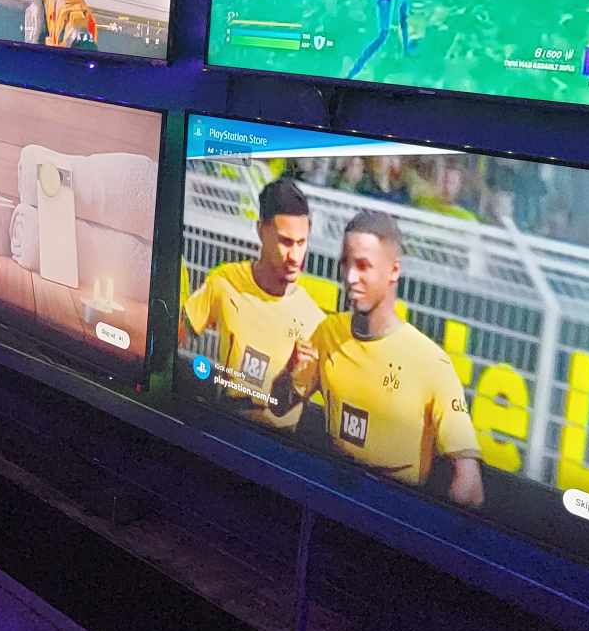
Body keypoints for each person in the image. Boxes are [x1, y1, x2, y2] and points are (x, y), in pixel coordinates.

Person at [278, 210, 483, 506]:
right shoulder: (328, 332)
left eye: (363, 266)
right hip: (327, 501)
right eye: (346, 263)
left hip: (392, 516)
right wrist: (290, 373)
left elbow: (471, 486)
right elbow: (280, 405)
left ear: (393, 271)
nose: (350, 277)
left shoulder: (432, 363)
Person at [183, 178, 327, 430]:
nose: (295, 256)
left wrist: (292, 373)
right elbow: (172, 335)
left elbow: (294, 404)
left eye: (301, 243)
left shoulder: (314, 320)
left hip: (279, 442)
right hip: (223, 425)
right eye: (285, 242)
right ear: (261, 231)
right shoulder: (225, 281)